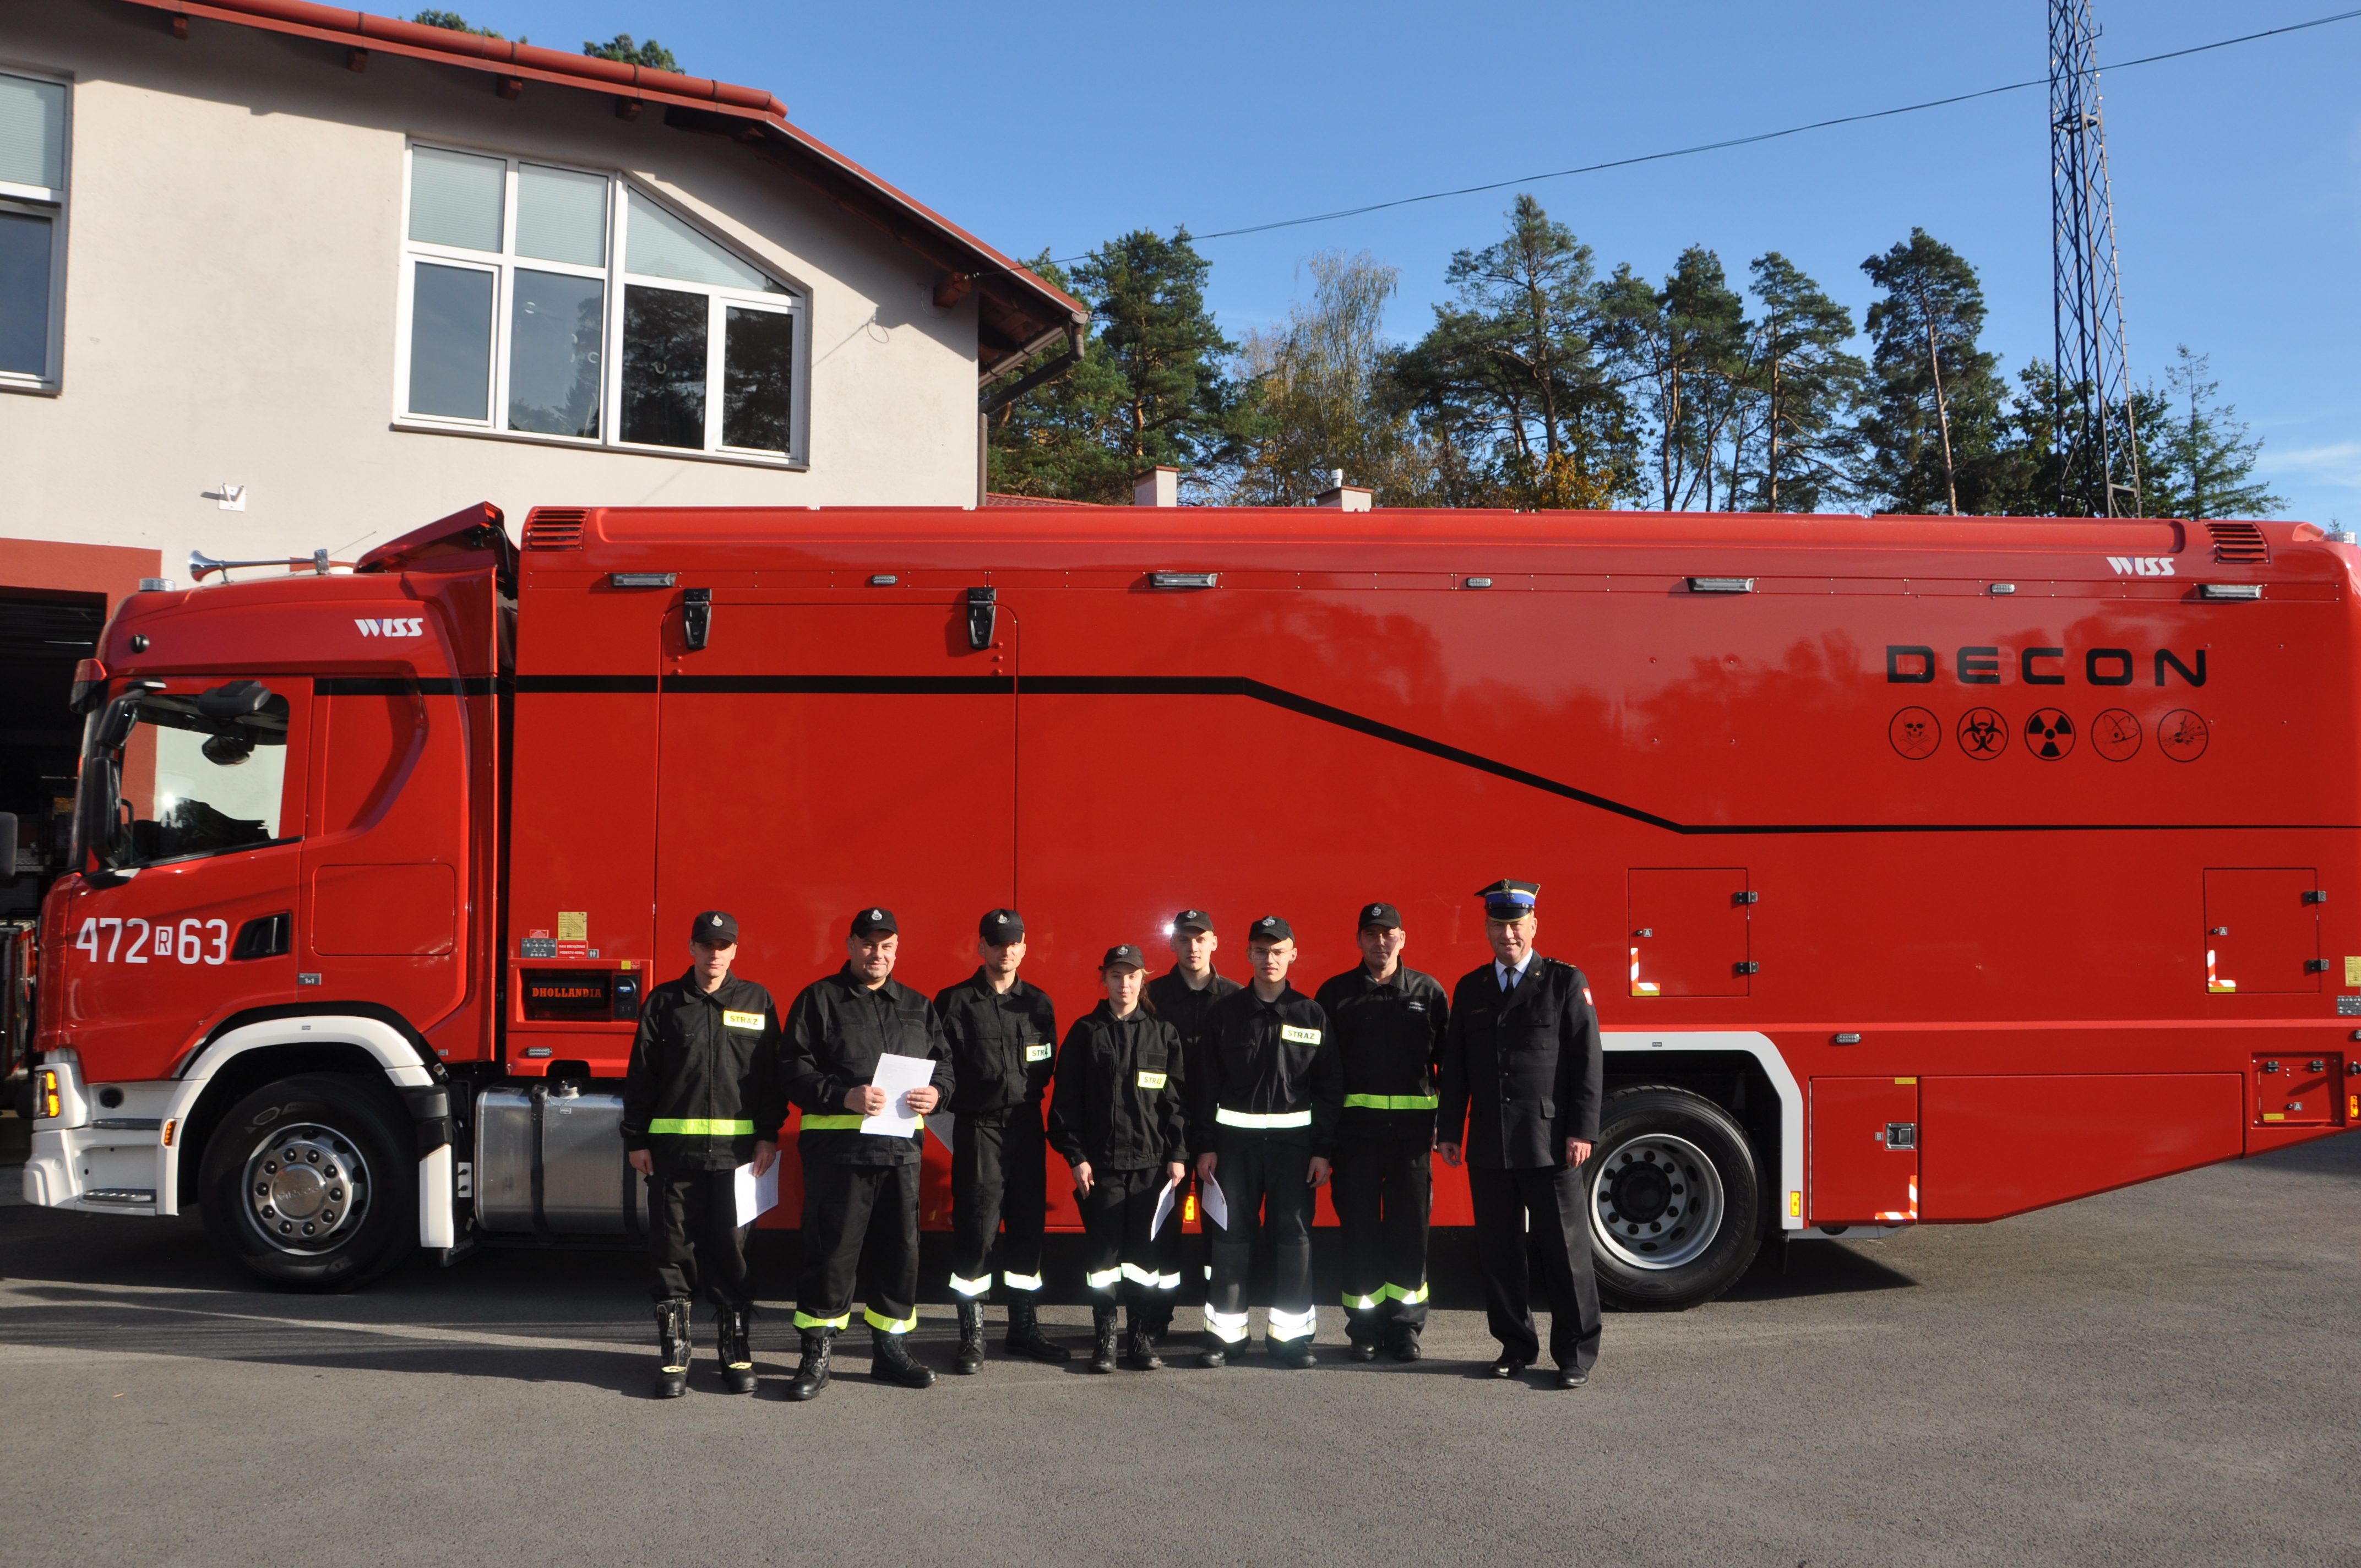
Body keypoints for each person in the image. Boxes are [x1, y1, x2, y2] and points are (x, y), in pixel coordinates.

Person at [781, 907, 954, 1398]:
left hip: (900, 1157)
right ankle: (816, 1355)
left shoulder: (918, 1006)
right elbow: (792, 1071)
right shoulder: (819, 1000)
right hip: (840, 1157)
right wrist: (844, 1096)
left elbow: (945, 1067)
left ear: (897, 950)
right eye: (869, 944)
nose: (878, 954)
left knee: (900, 1255)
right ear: (851, 946)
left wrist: (938, 1094)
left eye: (888, 946)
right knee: (831, 1256)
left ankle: (891, 1351)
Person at [1437, 880, 1603, 1389]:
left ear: (1533, 926)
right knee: (1500, 1254)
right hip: (1490, 1143)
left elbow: (1587, 1063)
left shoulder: (1564, 982)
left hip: (1550, 1143)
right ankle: (1515, 1346)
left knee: (1566, 1252)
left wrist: (1582, 1131)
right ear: (1486, 929)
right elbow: (1456, 1068)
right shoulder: (1471, 988)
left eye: (1516, 924)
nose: (1507, 934)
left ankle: (1574, 1354)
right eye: (1498, 925)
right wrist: (1450, 1130)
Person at [619, 910, 785, 1398]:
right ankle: (675, 1355)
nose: (715, 954)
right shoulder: (664, 1002)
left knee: (733, 1255)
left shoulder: (757, 1000)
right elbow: (642, 1075)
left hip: (737, 1160)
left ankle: (735, 1351)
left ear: (735, 951)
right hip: (674, 1157)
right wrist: (636, 1139)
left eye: (724, 946)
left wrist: (768, 1135)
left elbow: (770, 1078)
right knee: (671, 1255)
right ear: (691, 948)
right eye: (707, 945)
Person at [1192, 916, 1340, 1369]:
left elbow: (1329, 1088)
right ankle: (1225, 1338)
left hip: (1294, 1153)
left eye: (1278, 951)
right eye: (1261, 950)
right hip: (1234, 1150)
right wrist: (1205, 1146)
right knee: (1230, 1239)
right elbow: (1205, 1086)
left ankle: (1291, 1340)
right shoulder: (1225, 1014)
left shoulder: (1311, 1014)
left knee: (1293, 1239)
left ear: (1293, 954)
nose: (1269, 959)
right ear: (1249, 955)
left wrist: (1323, 1150)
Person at [1313, 901, 1449, 1363]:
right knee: (1360, 1235)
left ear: (1402, 939)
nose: (1380, 942)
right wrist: (1324, 1143)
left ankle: (1406, 1328)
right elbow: (1321, 1077)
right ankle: (1364, 1329)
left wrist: (1447, 1126)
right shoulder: (1335, 995)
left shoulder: (1429, 993)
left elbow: (1450, 1067)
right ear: (1359, 940)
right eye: (1371, 934)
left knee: (1410, 1234)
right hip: (1355, 1141)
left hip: (1412, 1142)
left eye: (1388, 933)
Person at [935, 908, 1069, 1373]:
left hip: (1027, 1126)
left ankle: (1023, 1330)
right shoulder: (954, 1002)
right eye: (997, 943)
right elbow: (940, 1068)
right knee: (976, 1232)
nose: (1006, 950)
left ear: (1024, 948)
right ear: (981, 947)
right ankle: (972, 1336)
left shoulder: (1039, 1004)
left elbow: (1046, 1065)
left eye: (1014, 942)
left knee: (1028, 1231)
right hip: (979, 1129)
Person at [1047, 944, 1190, 1373]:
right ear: (1104, 979)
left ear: (1144, 978)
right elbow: (1065, 1103)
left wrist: (1178, 1154)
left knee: (1145, 1260)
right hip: (1101, 1167)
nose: (1124, 984)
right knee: (1103, 1261)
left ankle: (1140, 1339)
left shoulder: (1163, 1034)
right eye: (1115, 975)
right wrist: (1076, 1157)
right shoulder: (1085, 1032)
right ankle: (1105, 1340)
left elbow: (1176, 1103)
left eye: (1131, 976)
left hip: (1151, 1167)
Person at [1143, 910, 1239, 1346]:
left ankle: (1219, 1318)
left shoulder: (1236, 999)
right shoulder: (1153, 996)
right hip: (1165, 1132)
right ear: (1172, 944)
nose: (1193, 947)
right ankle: (1155, 1318)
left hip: (1222, 1134)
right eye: (1184, 939)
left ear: (1215, 942)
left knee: (1221, 1231)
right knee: (1163, 1230)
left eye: (1201, 939)